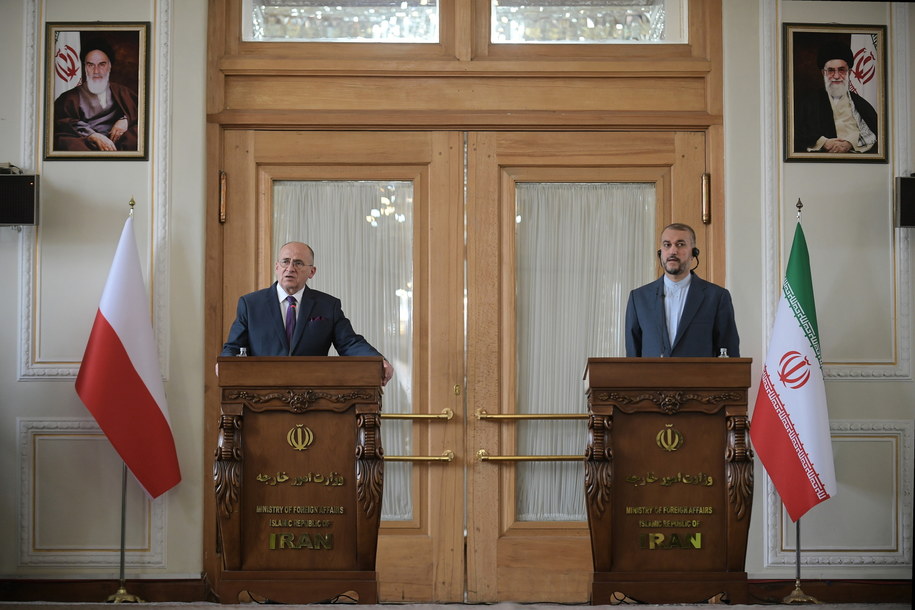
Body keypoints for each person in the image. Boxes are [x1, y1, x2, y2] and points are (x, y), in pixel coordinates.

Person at [220, 241, 394, 386]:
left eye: (298, 263)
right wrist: (225, 364)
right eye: (285, 261)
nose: (290, 268)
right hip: (261, 394)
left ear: (311, 272)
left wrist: (378, 360)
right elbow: (233, 347)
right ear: (276, 267)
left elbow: (349, 343)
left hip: (312, 396)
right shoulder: (251, 304)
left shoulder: (327, 305)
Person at [624, 223, 739, 358]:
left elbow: (729, 354)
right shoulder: (638, 298)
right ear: (660, 253)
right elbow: (632, 357)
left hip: (700, 379)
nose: (673, 251)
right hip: (652, 379)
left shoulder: (717, 297)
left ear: (693, 253)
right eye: (667, 245)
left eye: (680, 244)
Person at [53, 38, 139, 152]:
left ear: (110, 66)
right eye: (90, 65)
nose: (96, 71)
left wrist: (125, 120)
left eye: (102, 64)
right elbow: (62, 122)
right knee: (66, 142)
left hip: (119, 142)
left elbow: (143, 112)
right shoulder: (69, 98)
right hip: (86, 143)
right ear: (85, 67)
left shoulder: (122, 92)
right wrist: (93, 135)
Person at [794, 41, 877, 154]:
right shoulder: (807, 104)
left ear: (850, 72)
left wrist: (850, 143)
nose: (836, 76)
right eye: (831, 70)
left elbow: (874, 134)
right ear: (823, 73)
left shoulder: (861, 104)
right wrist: (823, 142)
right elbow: (797, 133)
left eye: (841, 70)